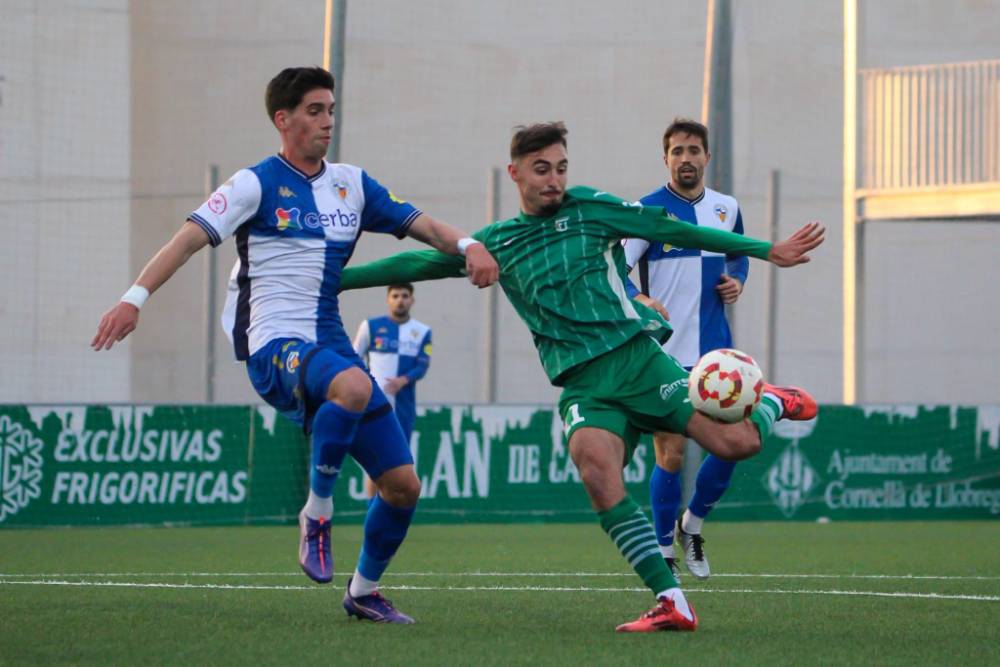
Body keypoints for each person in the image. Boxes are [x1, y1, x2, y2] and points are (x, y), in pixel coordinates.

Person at [335, 122, 824, 632]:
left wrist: (765, 250)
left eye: (562, 168)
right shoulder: (500, 242)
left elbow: (673, 230)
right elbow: (420, 260)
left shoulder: (591, 208)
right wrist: (337, 280)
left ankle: (770, 400)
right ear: (515, 173)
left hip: (638, 363)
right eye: (542, 170)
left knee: (735, 444)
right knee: (596, 469)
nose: (554, 180)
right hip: (584, 385)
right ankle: (672, 600)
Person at [90, 66, 499, 624]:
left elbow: (421, 223)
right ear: (283, 120)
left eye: (330, 109)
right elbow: (186, 240)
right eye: (314, 110)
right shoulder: (254, 183)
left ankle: (362, 591)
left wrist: (470, 243)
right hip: (272, 343)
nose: (327, 120)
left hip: (327, 340)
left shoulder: (352, 184)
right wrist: (133, 299)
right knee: (354, 386)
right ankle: (319, 512)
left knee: (402, 486)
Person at [623, 118, 750, 581]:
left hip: (718, 357)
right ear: (666, 159)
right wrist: (638, 299)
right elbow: (616, 268)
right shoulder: (647, 211)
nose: (686, 158)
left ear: (707, 157)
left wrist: (738, 279)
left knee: (734, 445)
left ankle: (690, 526)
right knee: (671, 455)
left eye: (693, 150)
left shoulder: (725, 208)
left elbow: (738, 254)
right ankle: (662, 550)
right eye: (677, 151)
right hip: (665, 354)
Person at [353, 283, 432, 497]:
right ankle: (371, 513)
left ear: (412, 300)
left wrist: (403, 380)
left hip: (403, 410)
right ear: (388, 299)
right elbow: (353, 358)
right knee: (374, 464)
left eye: (405, 296)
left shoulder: (422, 332)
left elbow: (422, 365)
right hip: (374, 406)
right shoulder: (370, 326)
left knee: (398, 466)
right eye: (395, 295)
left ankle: (387, 514)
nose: (400, 300)